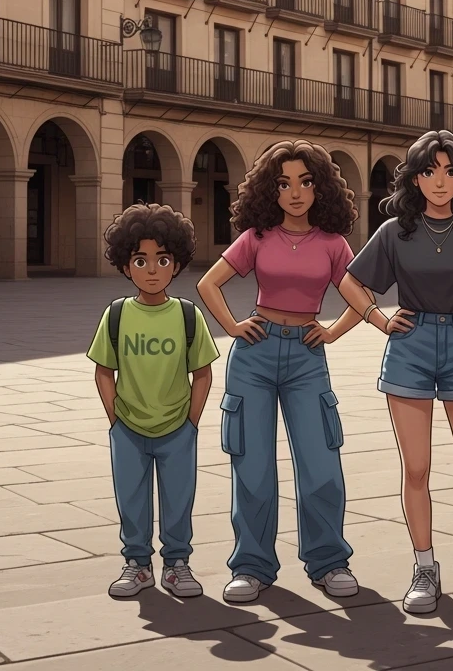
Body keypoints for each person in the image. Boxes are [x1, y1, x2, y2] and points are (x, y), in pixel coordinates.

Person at [337, 131, 453, 615]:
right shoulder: (395, 232)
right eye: (430, 171)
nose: (440, 181)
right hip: (409, 348)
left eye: (451, 171)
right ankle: (424, 567)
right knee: (416, 469)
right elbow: (350, 282)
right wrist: (377, 319)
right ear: (415, 178)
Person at [196, 140, 366, 604]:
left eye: (305, 182)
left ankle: (329, 562)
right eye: (284, 183)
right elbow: (209, 284)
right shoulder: (257, 237)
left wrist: (332, 332)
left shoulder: (333, 244)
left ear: (320, 188)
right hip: (254, 355)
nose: (295, 193)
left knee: (321, 464)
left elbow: (361, 297)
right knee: (251, 466)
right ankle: (251, 566)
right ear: (270, 190)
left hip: (307, 358)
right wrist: (232, 326)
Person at [87, 202, 219, 599]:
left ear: (176, 264)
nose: (151, 270)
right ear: (126, 266)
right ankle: (137, 565)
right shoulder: (116, 315)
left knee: (178, 498)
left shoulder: (188, 315)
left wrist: (191, 422)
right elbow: (104, 370)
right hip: (128, 428)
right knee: (131, 499)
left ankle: (177, 564)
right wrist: (115, 419)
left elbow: (203, 372)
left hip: (177, 429)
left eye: (162, 260)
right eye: (140, 260)